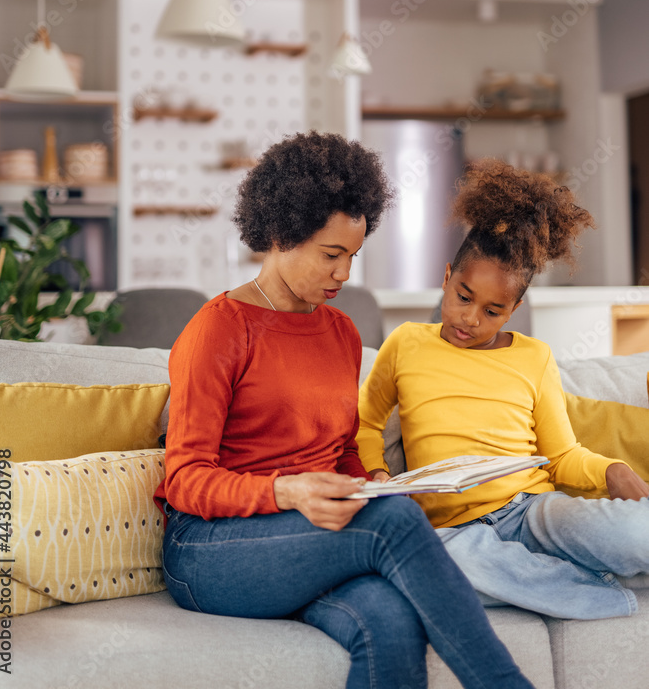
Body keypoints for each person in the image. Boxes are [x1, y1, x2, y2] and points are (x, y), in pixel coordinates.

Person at [155, 132, 535, 689]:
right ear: (281, 234)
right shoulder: (220, 329)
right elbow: (185, 479)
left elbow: (339, 451)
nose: (344, 275)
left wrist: (374, 479)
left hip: (302, 538)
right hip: (210, 551)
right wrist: (287, 492)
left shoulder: (341, 333)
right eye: (331, 255)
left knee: (391, 619)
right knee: (393, 524)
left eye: (352, 256)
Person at [357, 160, 649, 621]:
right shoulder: (406, 342)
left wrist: (611, 470)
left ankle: (534, 574)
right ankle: (597, 592)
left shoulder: (534, 357)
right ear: (448, 276)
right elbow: (368, 422)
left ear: (514, 308)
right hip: (453, 529)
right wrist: (377, 473)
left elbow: (562, 455)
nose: (470, 319)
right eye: (463, 296)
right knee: (437, 561)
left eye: (493, 311)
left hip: (531, 510)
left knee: (639, 535)